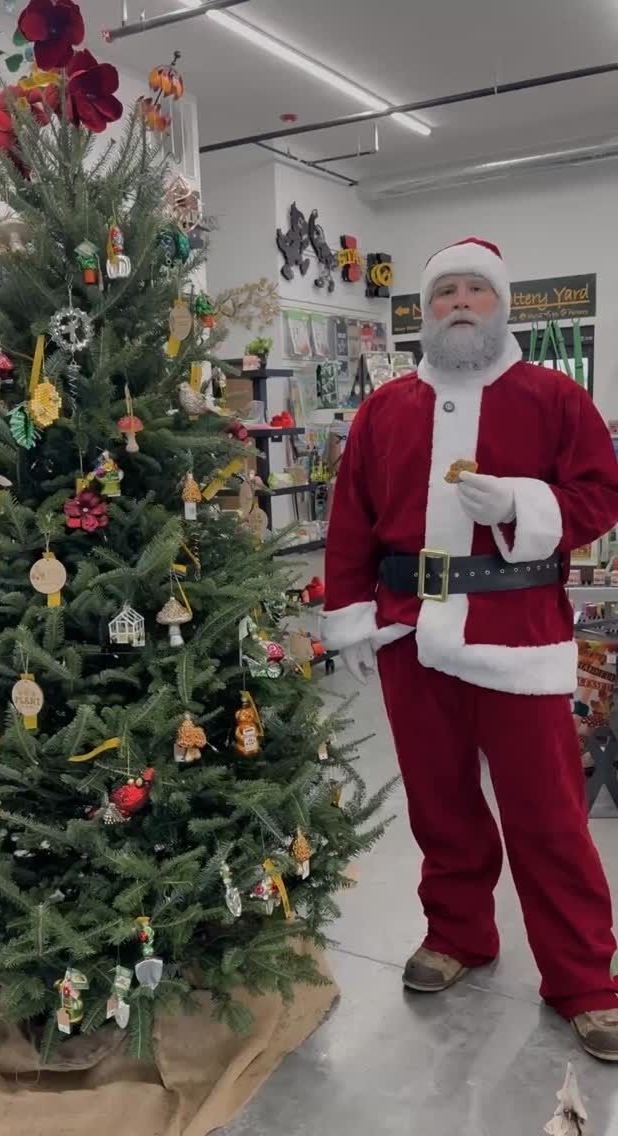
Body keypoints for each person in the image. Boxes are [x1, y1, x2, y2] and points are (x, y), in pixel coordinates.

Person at [322, 237, 618, 1061]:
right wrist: (348, 616)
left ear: (502, 305)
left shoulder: (554, 397)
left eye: (474, 291)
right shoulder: (385, 410)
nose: (458, 302)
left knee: (549, 814)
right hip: (410, 632)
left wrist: (527, 501)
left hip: (517, 636)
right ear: (424, 310)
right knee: (439, 802)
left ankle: (585, 980)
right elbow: (351, 519)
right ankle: (458, 933)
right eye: (444, 290)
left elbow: (599, 495)